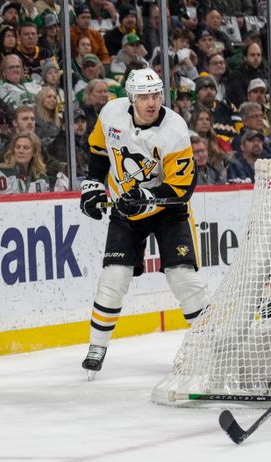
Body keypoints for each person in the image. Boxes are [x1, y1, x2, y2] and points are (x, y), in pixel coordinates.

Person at [78, 68, 209, 377]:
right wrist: (93, 186)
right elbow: (98, 151)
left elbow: (183, 188)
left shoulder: (175, 129)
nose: (151, 103)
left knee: (183, 278)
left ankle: (210, 346)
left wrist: (148, 197)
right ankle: (97, 347)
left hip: (167, 211)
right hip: (126, 209)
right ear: (131, 98)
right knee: (113, 278)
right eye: (143, 97)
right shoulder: (111, 113)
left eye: (155, 96)